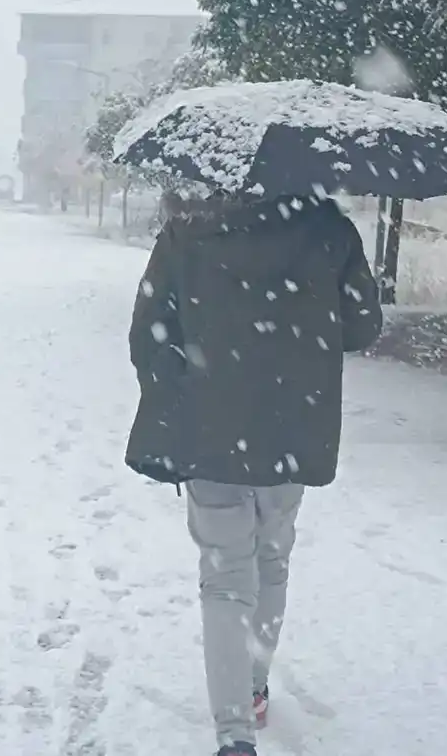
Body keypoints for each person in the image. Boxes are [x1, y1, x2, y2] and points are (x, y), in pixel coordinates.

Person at [125, 191, 383, 756]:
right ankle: (253, 684)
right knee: (272, 559)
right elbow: (362, 328)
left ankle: (234, 733)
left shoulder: (187, 232)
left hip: (208, 428)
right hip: (293, 426)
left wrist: (183, 388)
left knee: (224, 577)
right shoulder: (329, 231)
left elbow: (148, 334)